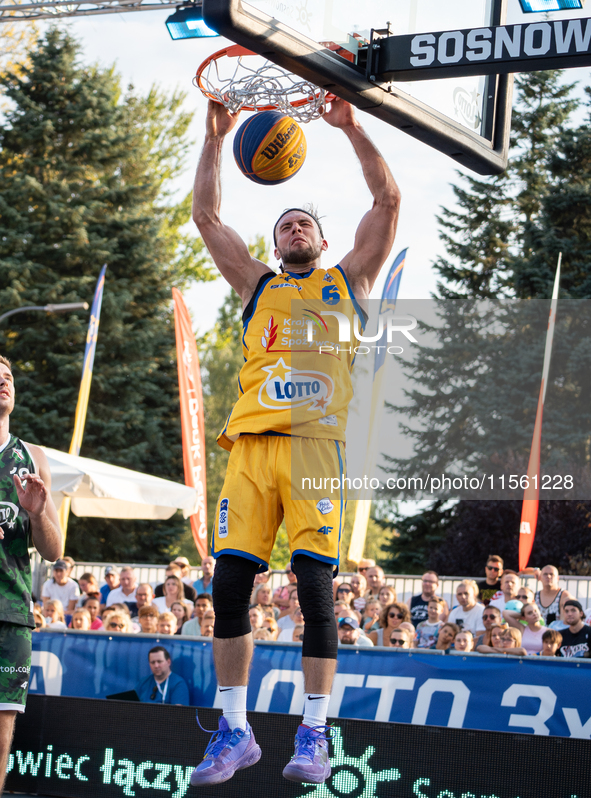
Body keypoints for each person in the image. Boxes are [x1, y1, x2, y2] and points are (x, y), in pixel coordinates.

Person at [189, 96, 400, 788]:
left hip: (314, 449)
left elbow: (387, 198)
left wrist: (349, 127)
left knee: (315, 590)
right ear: (275, 246)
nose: (293, 227)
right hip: (250, 450)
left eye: (303, 221)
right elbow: (207, 219)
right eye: (283, 225)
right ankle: (235, 731)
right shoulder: (255, 286)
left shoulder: (349, 282)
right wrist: (216, 139)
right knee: (227, 587)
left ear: (320, 238)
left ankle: (314, 733)